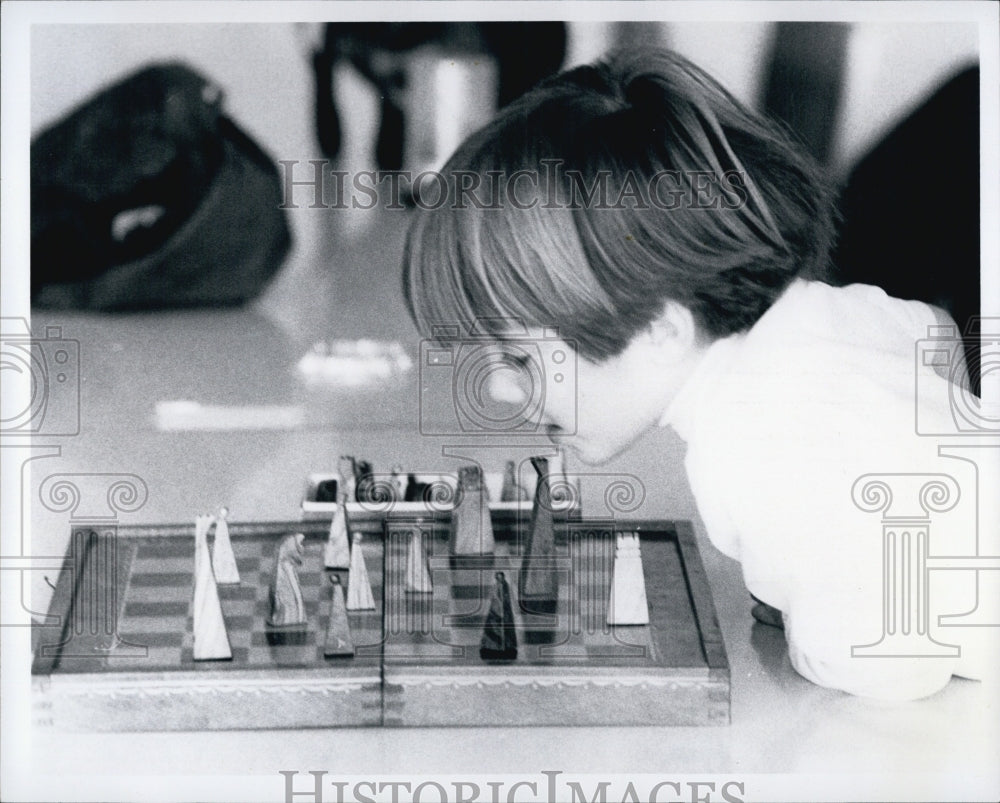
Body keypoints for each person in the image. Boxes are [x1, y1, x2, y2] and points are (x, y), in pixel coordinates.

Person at [401, 47, 995, 701]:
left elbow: (889, 658)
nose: (495, 388)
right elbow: (943, 354)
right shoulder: (837, 314)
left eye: (517, 358)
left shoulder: (750, 443)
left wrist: (815, 631)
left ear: (661, 329)